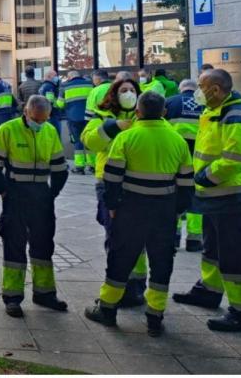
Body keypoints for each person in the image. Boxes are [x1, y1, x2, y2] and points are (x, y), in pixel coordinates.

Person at [84, 92, 193, 337]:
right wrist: (177, 210)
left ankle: (108, 310)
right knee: (161, 264)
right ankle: (155, 316)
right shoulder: (178, 141)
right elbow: (186, 183)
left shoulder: (126, 138)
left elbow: (111, 178)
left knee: (120, 260)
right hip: (164, 212)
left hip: (130, 210)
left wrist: (112, 205)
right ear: (164, 112)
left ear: (137, 112)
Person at [173, 69, 241, 332]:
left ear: (215, 89)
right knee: (212, 250)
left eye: (202, 86)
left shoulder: (236, 114)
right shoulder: (214, 112)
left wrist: (204, 177)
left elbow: (236, 158)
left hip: (234, 198)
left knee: (236, 257)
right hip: (216, 197)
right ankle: (209, 291)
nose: (198, 92)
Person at [0, 96, 69, 317]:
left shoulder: (49, 131)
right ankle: (12, 297)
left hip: (41, 194)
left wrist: (53, 193)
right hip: (16, 194)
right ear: (26, 112)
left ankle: (45, 293)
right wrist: (4, 191)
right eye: (36, 119)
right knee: (14, 244)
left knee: (43, 245)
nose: (39, 124)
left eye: (44, 120)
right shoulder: (8, 129)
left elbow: (60, 167)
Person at [82, 78, 148, 305]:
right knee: (116, 236)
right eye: (124, 90)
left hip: (137, 181)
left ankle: (136, 286)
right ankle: (119, 287)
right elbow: (89, 141)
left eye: (132, 90)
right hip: (109, 181)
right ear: (114, 94)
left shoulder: (144, 116)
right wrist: (112, 128)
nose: (128, 93)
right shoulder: (103, 116)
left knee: (137, 237)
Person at [164, 79, 204, 252]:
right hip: (199, 158)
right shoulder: (204, 104)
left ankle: (173, 238)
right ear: (195, 90)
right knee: (196, 199)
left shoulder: (170, 102)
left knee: (174, 197)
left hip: (175, 157)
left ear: (181, 89)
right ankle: (194, 240)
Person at [59, 71, 92, 174]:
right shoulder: (90, 84)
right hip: (89, 117)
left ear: (69, 77)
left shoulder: (65, 86)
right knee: (89, 140)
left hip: (73, 118)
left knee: (78, 142)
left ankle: (79, 167)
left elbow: (60, 104)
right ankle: (92, 165)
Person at [39, 70, 64, 136]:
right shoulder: (49, 86)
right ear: (49, 76)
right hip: (52, 115)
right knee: (56, 136)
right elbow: (49, 102)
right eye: (55, 75)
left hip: (48, 115)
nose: (57, 77)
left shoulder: (43, 86)